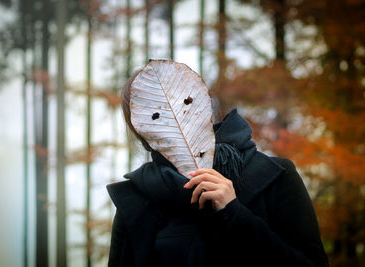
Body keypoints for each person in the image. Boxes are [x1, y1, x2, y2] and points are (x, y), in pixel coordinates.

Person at [106, 69, 329, 267]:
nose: (170, 116)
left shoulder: (275, 176)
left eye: (180, 101)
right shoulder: (136, 200)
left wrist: (235, 213)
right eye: (152, 114)